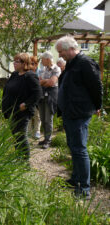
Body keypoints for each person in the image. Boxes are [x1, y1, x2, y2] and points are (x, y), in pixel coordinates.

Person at [56, 36, 102, 199]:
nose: (60, 55)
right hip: (70, 112)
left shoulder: (84, 63)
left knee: (79, 149)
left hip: (79, 112)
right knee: (73, 146)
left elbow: (96, 86)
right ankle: (76, 179)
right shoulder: (71, 64)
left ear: (69, 48)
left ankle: (84, 188)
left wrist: (98, 106)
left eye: (61, 51)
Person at [2, 53, 42, 160]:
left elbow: (38, 93)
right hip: (11, 111)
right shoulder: (15, 74)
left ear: (24, 63)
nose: (14, 63)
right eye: (14, 61)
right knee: (16, 135)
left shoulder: (30, 76)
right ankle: (19, 157)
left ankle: (25, 161)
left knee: (21, 135)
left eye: (17, 61)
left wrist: (26, 104)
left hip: (22, 112)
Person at [38, 51, 61, 149]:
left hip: (51, 96)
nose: (41, 61)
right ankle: (45, 138)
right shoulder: (43, 68)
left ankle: (48, 140)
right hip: (42, 95)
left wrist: (44, 81)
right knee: (43, 118)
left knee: (48, 119)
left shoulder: (56, 68)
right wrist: (44, 81)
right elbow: (39, 82)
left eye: (42, 59)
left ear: (47, 59)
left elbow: (51, 83)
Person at [28, 56, 42, 139]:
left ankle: (37, 131)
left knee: (37, 115)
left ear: (36, 64)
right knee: (29, 115)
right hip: (28, 97)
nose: (31, 65)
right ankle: (29, 131)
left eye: (33, 63)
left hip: (37, 97)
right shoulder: (28, 72)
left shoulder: (40, 72)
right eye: (30, 63)